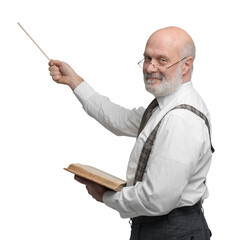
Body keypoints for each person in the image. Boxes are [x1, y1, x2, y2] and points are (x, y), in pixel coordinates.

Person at [49, 26, 213, 239]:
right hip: (161, 227)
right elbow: (118, 119)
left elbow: (156, 199)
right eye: (147, 58)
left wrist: (106, 196)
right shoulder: (164, 108)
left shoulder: (180, 120)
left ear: (186, 65)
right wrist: (73, 81)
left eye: (162, 60)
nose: (150, 68)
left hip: (171, 230)